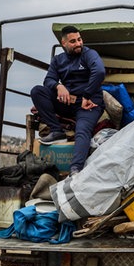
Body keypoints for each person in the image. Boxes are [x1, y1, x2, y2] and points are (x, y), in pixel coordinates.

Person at [30, 25, 106, 176]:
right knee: (37, 91)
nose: (78, 43)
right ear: (63, 43)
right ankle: (57, 131)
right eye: (73, 41)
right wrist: (58, 86)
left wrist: (87, 95)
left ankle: (75, 169)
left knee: (82, 130)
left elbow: (99, 72)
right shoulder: (58, 60)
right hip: (66, 102)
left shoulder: (89, 54)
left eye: (79, 39)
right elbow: (49, 79)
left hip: (89, 103)